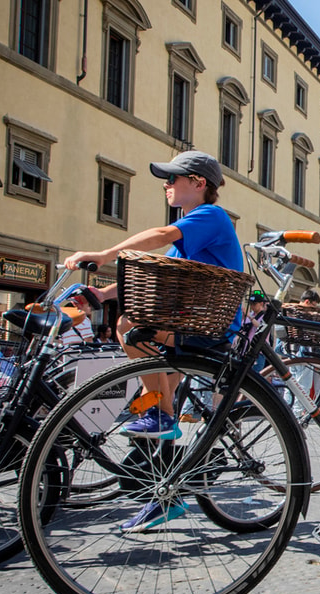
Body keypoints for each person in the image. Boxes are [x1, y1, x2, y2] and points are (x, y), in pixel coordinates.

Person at [63, 149, 242, 533]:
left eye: (173, 178)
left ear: (199, 184)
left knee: (129, 327)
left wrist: (105, 254)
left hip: (208, 326)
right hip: (186, 323)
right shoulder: (191, 231)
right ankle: (165, 497)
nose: (166, 184)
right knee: (156, 408)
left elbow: (160, 235)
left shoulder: (210, 215)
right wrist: (100, 295)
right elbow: (153, 278)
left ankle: (159, 416)